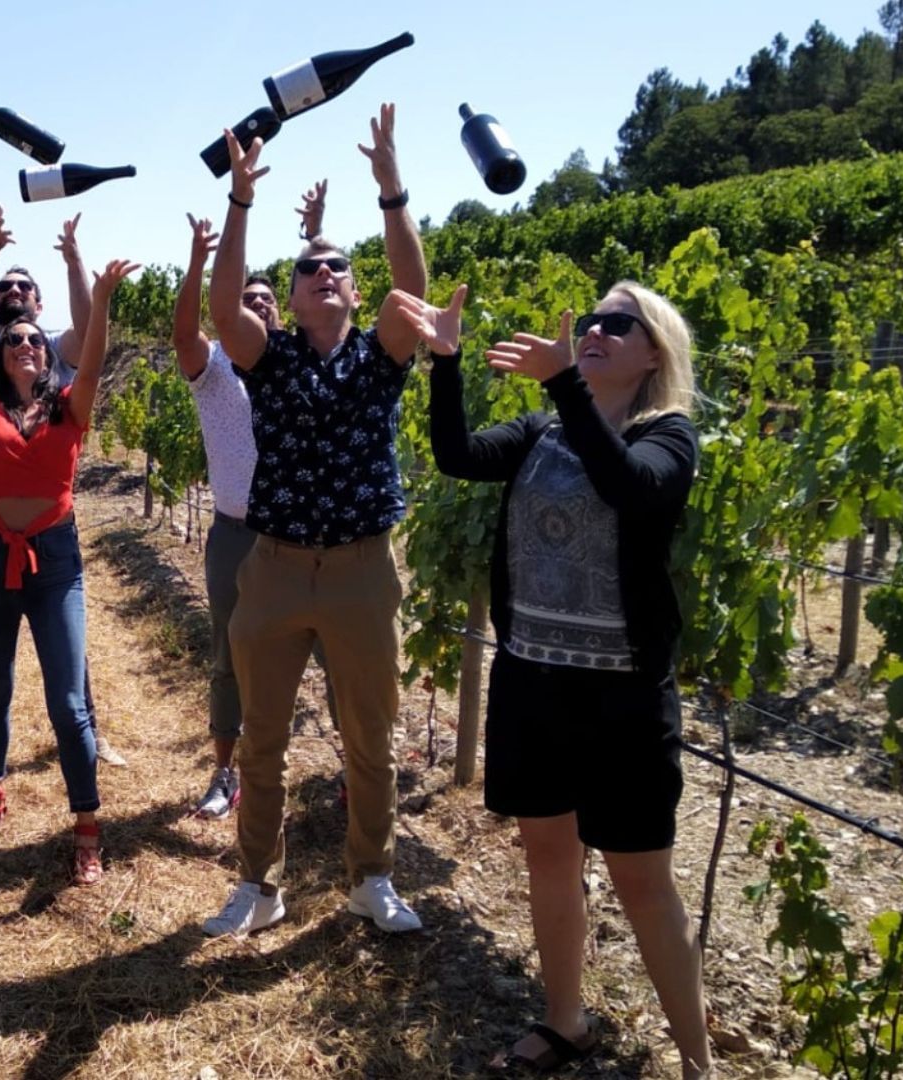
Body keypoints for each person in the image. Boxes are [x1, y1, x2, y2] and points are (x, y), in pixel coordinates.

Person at [391, 281, 711, 1077]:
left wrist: (565, 380)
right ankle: (566, 1020)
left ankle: (700, 1063)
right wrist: (445, 357)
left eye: (617, 323)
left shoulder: (667, 437)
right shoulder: (542, 430)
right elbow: (457, 456)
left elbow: (629, 486)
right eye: (593, 319)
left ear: (653, 353)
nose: (597, 330)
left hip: (622, 699)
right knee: (549, 857)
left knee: (643, 883)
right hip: (533, 682)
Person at [200, 104, 430, 937]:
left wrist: (390, 189)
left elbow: (416, 291)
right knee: (261, 740)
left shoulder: (381, 354)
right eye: (309, 270)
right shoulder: (271, 357)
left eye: (337, 267)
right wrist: (240, 204)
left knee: (370, 738)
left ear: (357, 289)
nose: (324, 273)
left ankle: (371, 876)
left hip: (365, 569)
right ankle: (259, 886)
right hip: (276, 565)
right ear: (291, 298)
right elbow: (226, 310)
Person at [0, 254, 140, 887]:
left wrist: (103, 294)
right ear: (1, 354)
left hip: (55, 559)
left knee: (67, 701)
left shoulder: (69, 404)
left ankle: (87, 828)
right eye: (15, 341)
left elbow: (92, 352)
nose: (26, 345)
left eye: (35, 338)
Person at [0, 208, 127, 775]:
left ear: (40, 307)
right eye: (6, 288)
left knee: (60, 632)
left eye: (25, 287)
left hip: (49, 517)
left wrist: (75, 259)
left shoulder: (52, 352)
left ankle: (83, 728)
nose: (15, 292)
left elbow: (90, 334)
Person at [171, 210, 338, 820]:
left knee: (337, 656)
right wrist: (198, 259)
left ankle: (352, 773)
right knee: (229, 656)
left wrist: (315, 235)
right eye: (248, 299)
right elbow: (186, 329)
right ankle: (225, 774)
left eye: (268, 299)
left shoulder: (303, 362)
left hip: (305, 538)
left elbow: (334, 303)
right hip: (237, 535)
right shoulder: (213, 371)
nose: (260, 306)